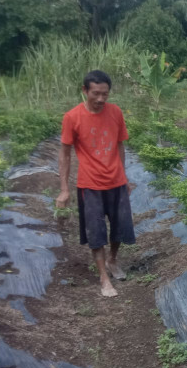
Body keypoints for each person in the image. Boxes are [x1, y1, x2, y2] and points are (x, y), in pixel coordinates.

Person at [56, 70, 135, 297]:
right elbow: (65, 154)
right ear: (85, 91)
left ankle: (112, 260)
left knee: (120, 227)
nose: (101, 99)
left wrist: (125, 176)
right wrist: (64, 189)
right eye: (96, 94)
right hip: (90, 184)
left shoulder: (116, 112)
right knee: (96, 231)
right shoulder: (72, 117)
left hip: (116, 181)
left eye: (105, 94)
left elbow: (120, 145)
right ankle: (103, 277)